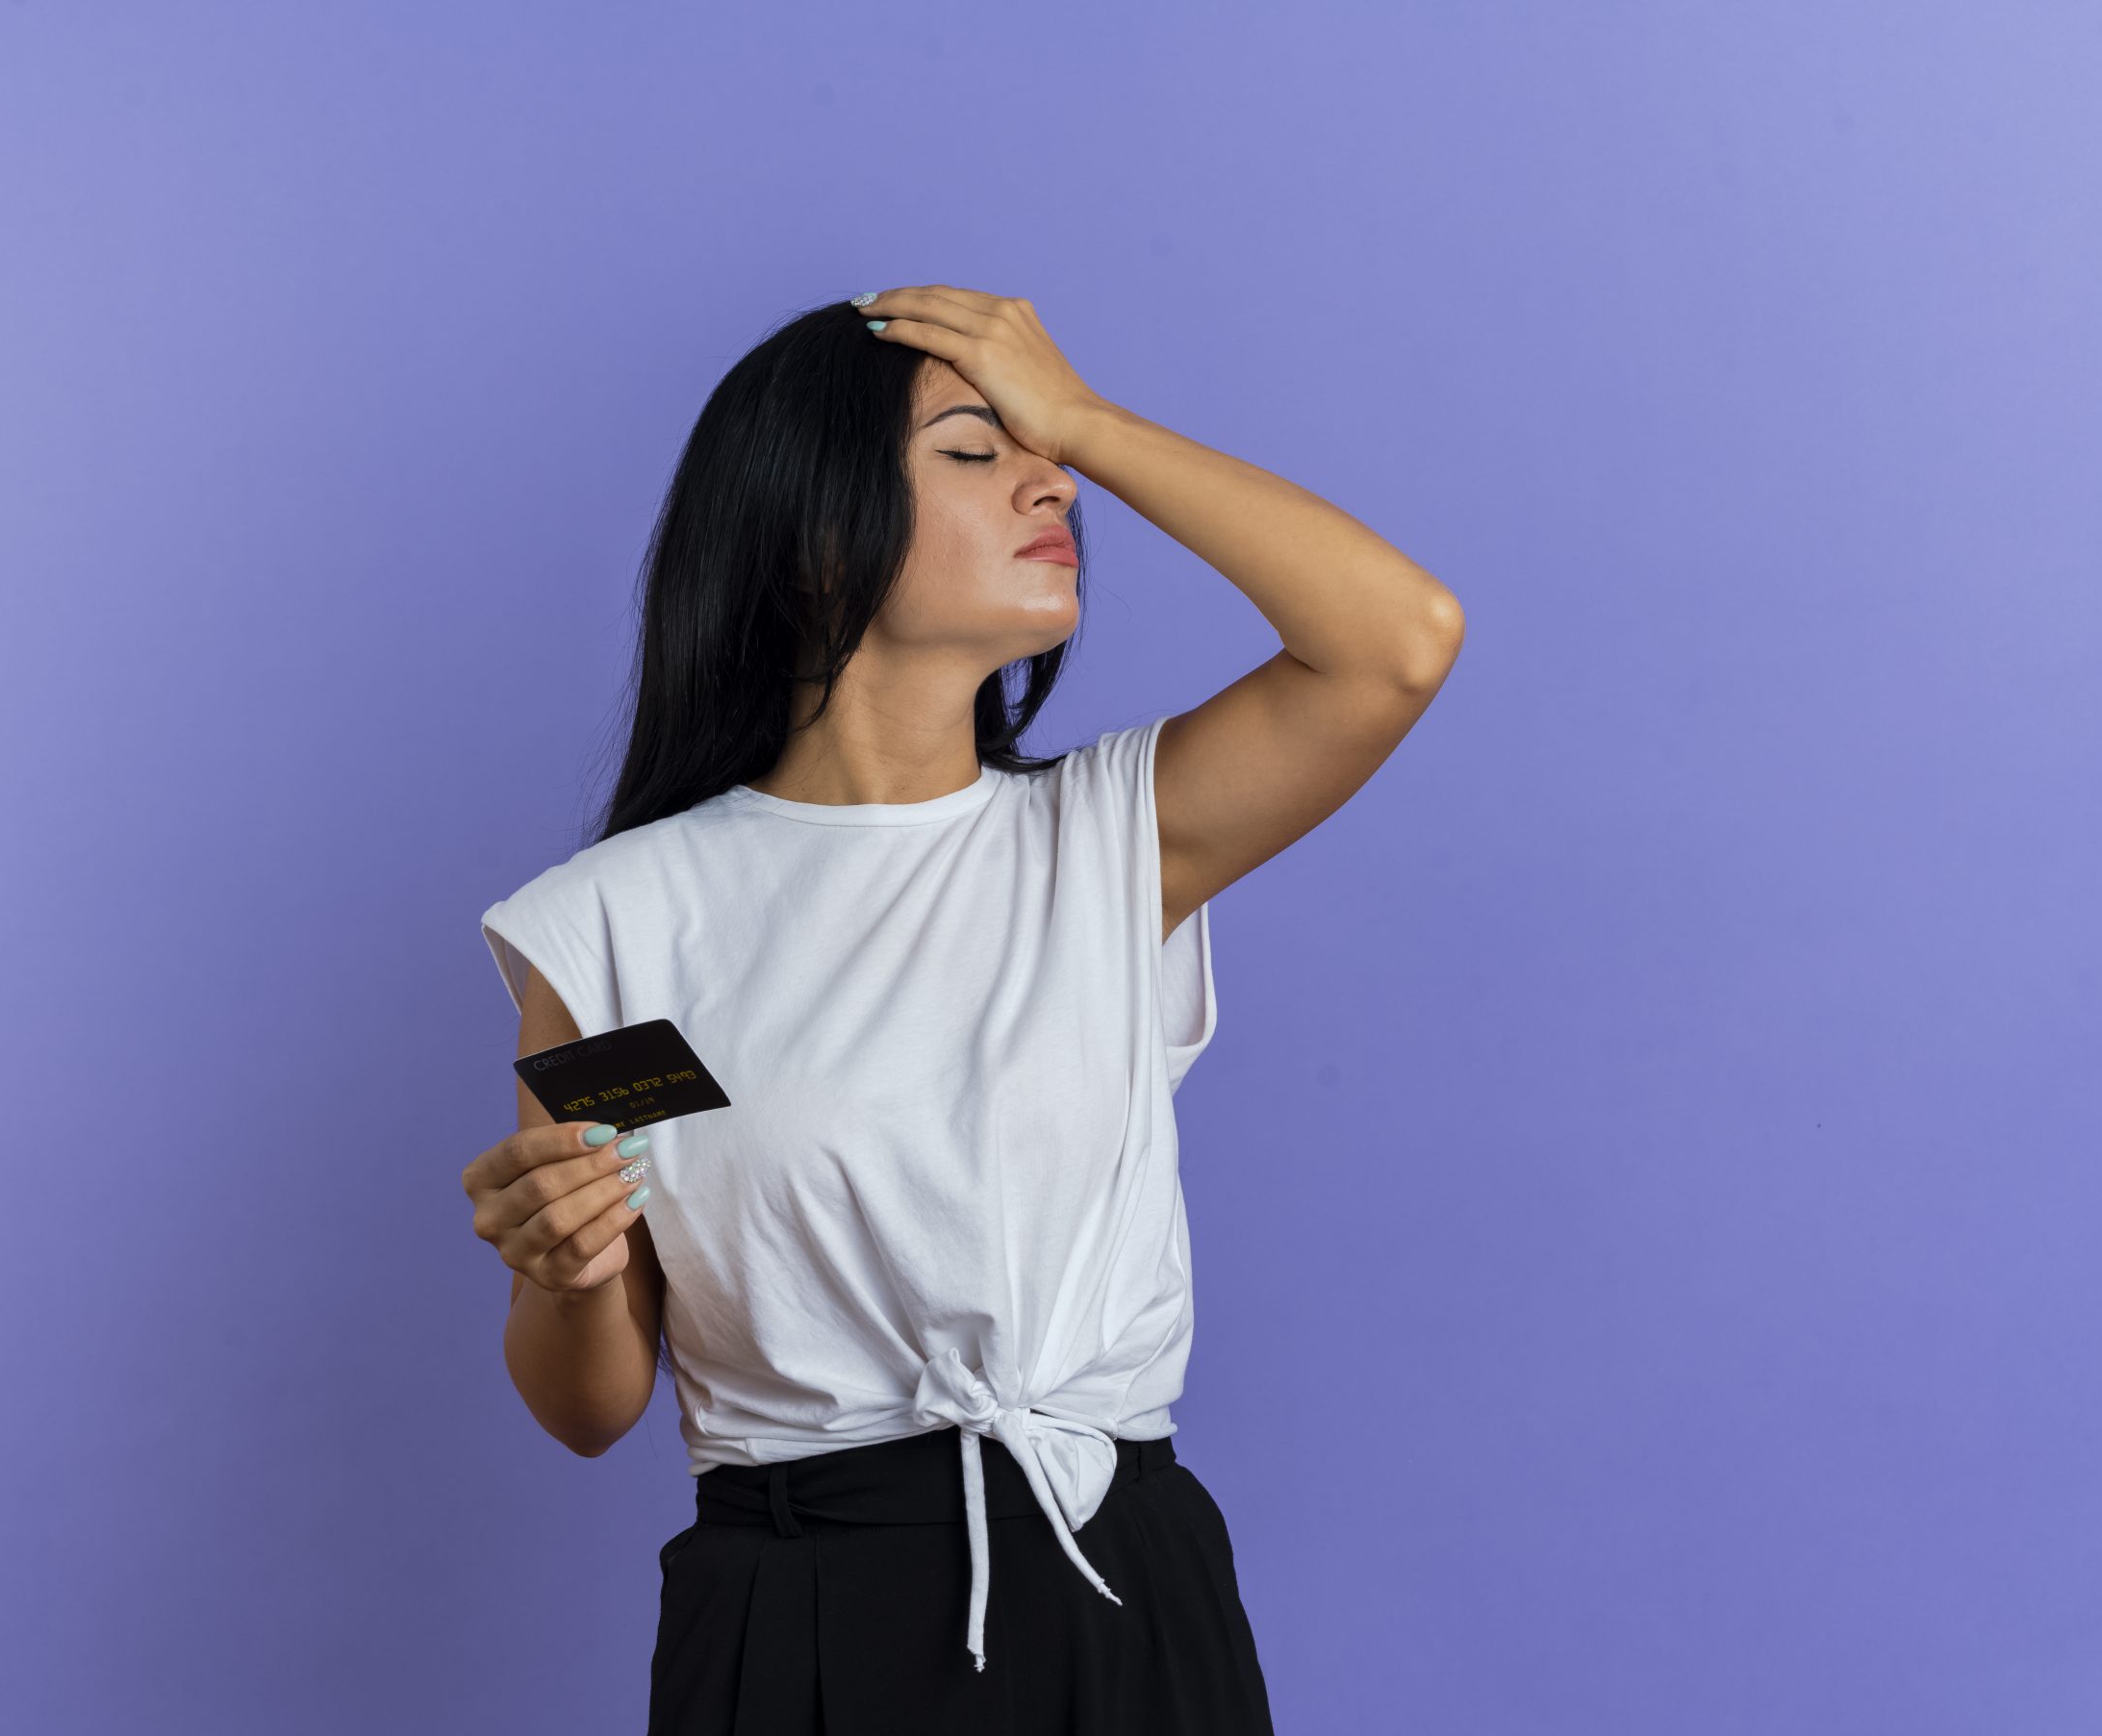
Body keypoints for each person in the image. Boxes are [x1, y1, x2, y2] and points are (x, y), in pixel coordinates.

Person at [461, 285, 1464, 1734]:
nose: (1049, 477)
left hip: (1118, 1580)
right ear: (815, 534)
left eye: (1040, 448)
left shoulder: (1110, 842)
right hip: (797, 1608)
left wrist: (1090, 422)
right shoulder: (627, 926)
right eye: (976, 450)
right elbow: (591, 1400)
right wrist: (560, 1274)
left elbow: (1400, 639)